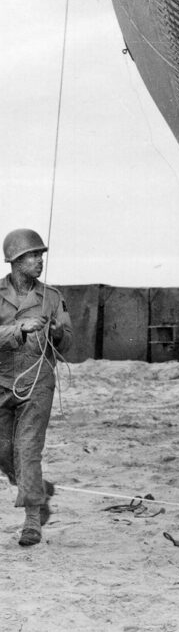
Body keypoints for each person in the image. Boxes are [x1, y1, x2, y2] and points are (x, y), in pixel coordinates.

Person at [0, 229, 72, 547]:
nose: (40, 260)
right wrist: (19, 328)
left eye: (41, 254)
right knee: (3, 450)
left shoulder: (52, 297)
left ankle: (32, 519)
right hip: (2, 380)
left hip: (38, 380)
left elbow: (68, 343)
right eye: (33, 255)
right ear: (15, 261)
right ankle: (37, 488)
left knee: (26, 449)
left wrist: (57, 333)